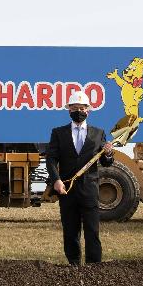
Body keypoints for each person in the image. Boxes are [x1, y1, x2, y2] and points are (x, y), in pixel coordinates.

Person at [44, 87, 114, 265]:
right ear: (69, 111)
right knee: (70, 231)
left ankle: (93, 267)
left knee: (92, 231)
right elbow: (51, 158)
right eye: (75, 108)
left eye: (82, 108)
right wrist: (56, 180)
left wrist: (107, 153)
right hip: (66, 189)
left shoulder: (98, 134)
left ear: (88, 111)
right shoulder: (58, 133)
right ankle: (74, 265)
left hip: (90, 188)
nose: (79, 111)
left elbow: (106, 163)